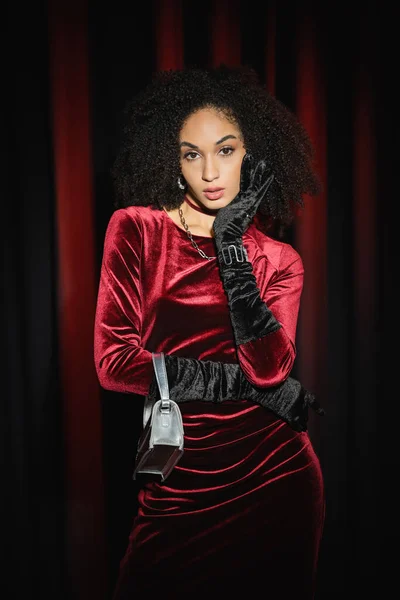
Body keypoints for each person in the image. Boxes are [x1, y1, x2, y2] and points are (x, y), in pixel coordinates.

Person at [94, 64, 325, 599]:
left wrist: (230, 248)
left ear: (254, 154)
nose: (210, 172)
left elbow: (270, 367)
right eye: (191, 154)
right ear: (172, 163)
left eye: (226, 150)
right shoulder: (137, 230)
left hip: (277, 481)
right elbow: (113, 363)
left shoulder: (278, 260)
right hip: (178, 485)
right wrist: (240, 386)